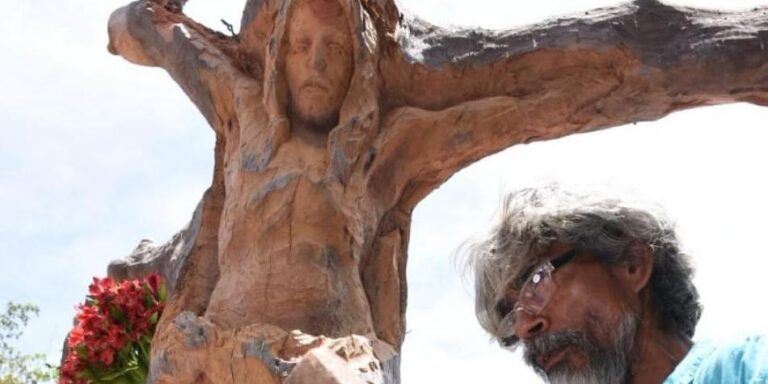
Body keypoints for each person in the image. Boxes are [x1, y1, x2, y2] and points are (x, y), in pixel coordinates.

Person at [464, 184, 768, 384]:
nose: (522, 328)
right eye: (510, 319)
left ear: (631, 264)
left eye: (536, 282)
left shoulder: (745, 370)